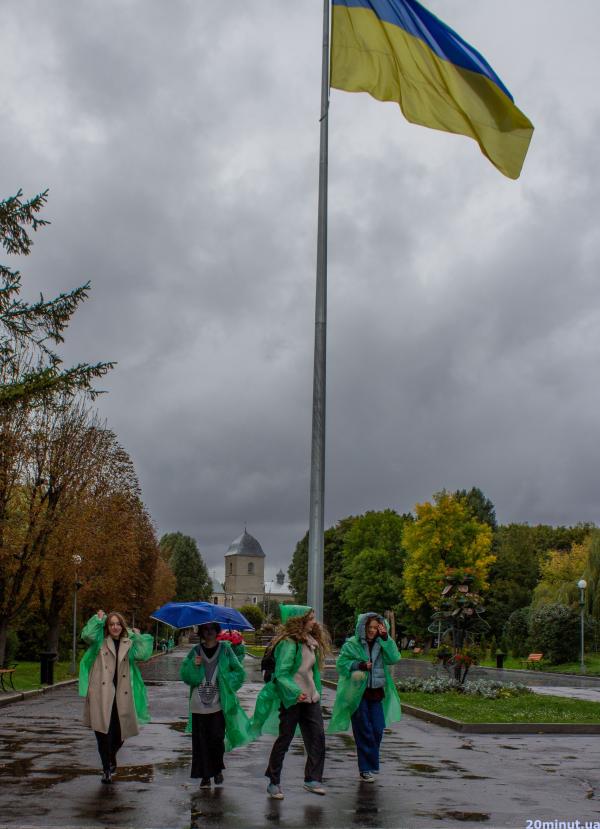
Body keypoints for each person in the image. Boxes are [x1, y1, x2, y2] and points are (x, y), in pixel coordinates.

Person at [251, 604, 330, 800]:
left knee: (318, 737)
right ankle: (274, 781)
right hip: (292, 699)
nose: (314, 621)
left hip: (310, 698)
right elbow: (282, 674)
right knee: (285, 740)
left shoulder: (310, 642)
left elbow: (312, 673)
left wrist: (315, 692)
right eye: (310, 618)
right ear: (299, 620)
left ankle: (312, 779)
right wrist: (296, 692)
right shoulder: (288, 643)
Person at [79, 609, 153, 784]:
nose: (115, 627)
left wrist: (138, 637)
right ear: (107, 627)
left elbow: (143, 655)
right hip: (101, 694)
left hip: (122, 695)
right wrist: (97, 620)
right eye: (111, 624)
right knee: (102, 733)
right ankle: (106, 769)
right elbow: (86, 636)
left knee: (120, 733)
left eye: (118, 624)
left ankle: (111, 756)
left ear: (122, 625)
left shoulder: (129, 643)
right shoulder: (99, 642)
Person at [328, 612, 401, 782]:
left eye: (376, 627)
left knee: (376, 729)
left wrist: (386, 638)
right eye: (369, 627)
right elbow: (341, 665)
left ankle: (370, 761)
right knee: (364, 731)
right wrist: (358, 665)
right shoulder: (352, 644)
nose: (372, 631)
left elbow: (394, 658)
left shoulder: (382, 642)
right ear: (362, 627)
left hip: (376, 692)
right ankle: (366, 768)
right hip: (357, 695)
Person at [180, 621, 252, 788]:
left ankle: (217, 768)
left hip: (219, 705)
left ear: (217, 631)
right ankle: (205, 776)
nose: (209, 632)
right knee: (200, 742)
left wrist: (226, 685)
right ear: (202, 632)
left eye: (212, 629)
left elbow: (239, 672)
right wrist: (193, 666)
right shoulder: (195, 651)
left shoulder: (225, 650)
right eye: (206, 629)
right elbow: (186, 676)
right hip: (198, 705)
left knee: (217, 739)